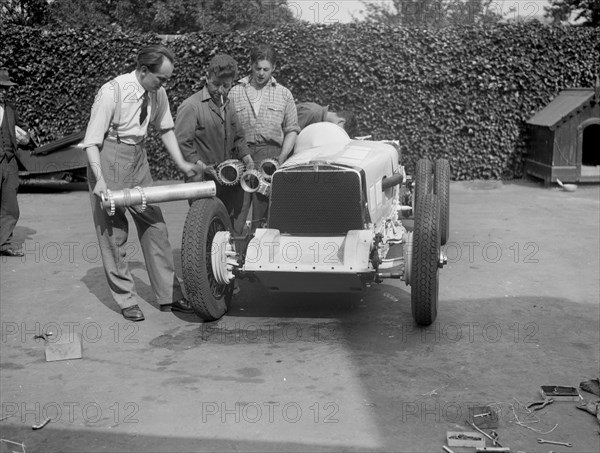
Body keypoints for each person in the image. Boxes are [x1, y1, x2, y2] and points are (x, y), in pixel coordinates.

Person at [83, 45, 201, 322]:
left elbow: (166, 128)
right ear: (144, 71)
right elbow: (91, 142)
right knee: (114, 233)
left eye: (167, 79)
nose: (165, 84)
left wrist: (183, 164)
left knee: (156, 225)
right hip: (110, 156)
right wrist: (99, 181)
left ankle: (169, 295)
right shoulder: (112, 92)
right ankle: (126, 300)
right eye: (161, 78)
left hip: (139, 157)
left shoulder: (157, 93)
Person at [174, 54, 254, 235]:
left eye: (226, 86)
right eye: (216, 84)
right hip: (202, 180)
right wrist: (203, 167)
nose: (220, 91)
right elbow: (181, 144)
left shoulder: (229, 104)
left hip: (227, 179)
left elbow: (239, 137)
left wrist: (248, 160)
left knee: (231, 226)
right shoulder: (191, 106)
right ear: (207, 77)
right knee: (205, 232)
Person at [228, 43, 300, 230]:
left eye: (266, 69)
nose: (261, 73)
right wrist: (244, 155)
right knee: (238, 209)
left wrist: (282, 157)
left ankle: (261, 253)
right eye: (257, 68)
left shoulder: (284, 94)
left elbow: (291, 129)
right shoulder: (235, 92)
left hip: (271, 157)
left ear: (273, 68)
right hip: (242, 155)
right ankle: (235, 251)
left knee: (265, 211)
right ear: (251, 65)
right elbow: (230, 128)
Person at [0, 68, 31, 257]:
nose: (4, 91)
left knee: (10, 206)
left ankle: (4, 244)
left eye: (6, 88)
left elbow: (23, 130)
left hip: (10, 162)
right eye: (1, 88)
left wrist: (26, 138)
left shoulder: (10, 109)